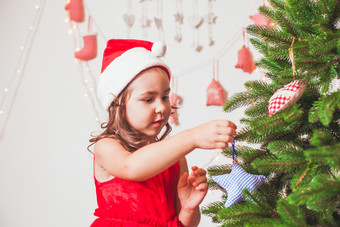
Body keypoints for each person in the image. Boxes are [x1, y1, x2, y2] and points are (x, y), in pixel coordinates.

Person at [89, 39, 237, 227]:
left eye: (165, 97)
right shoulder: (107, 146)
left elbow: (182, 224)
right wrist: (190, 137)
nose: (161, 107)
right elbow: (131, 167)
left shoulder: (176, 159)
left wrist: (189, 207)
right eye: (149, 99)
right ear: (117, 104)